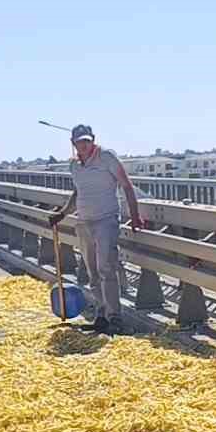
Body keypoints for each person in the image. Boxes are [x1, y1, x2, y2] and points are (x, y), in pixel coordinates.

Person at [47, 124, 143, 333]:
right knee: (92, 272)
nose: (84, 145)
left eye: (87, 141)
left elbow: (126, 185)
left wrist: (135, 216)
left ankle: (115, 318)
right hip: (84, 222)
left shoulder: (106, 157)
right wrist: (63, 213)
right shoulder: (73, 165)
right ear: (73, 143)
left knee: (106, 268)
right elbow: (78, 192)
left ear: (93, 140)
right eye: (80, 141)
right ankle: (101, 314)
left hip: (106, 220)